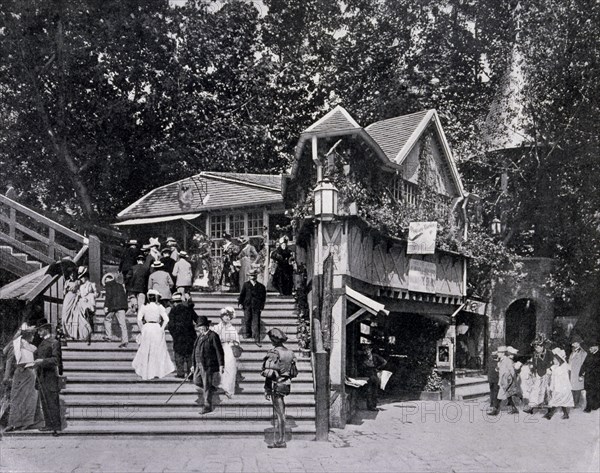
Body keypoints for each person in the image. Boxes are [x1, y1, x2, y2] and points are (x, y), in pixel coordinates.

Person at [2, 324, 44, 432]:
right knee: (16, 399)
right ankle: (13, 423)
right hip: (20, 373)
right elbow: (9, 360)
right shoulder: (16, 345)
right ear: (27, 335)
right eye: (32, 335)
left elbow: (36, 358)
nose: (34, 337)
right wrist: (6, 376)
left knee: (30, 399)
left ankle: (28, 422)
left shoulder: (32, 347)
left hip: (30, 373)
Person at [262, 328, 297, 449]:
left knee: (280, 413)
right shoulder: (290, 352)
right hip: (286, 384)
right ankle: (281, 438)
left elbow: (269, 373)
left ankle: (281, 440)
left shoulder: (273, 353)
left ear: (273, 340)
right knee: (281, 412)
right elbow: (293, 372)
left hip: (276, 385)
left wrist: (267, 389)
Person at [132, 290, 175, 380]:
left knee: (146, 348)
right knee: (157, 349)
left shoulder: (144, 307)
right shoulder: (159, 307)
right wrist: (162, 328)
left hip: (147, 328)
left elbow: (139, 319)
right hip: (156, 328)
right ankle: (156, 371)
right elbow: (166, 319)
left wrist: (142, 328)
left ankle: (146, 371)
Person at [33, 319, 62, 436]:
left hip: (50, 377)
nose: (38, 333)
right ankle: (49, 425)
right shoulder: (42, 342)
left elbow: (56, 360)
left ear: (46, 330)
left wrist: (42, 361)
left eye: (40, 330)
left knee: (52, 402)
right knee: (44, 401)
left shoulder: (54, 342)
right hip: (41, 376)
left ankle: (56, 427)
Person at [192, 316, 224, 414]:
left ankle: (207, 406)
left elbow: (219, 351)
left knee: (206, 386)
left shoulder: (213, 336)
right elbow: (194, 351)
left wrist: (221, 364)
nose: (200, 329)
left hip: (207, 365)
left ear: (207, 326)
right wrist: (193, 365)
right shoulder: (199, 336)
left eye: (202, 327)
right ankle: (210, 387)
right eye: (198, 327)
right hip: (198, 364)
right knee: (196, 381)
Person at [166, 293, 198, 378]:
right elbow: (197, 319)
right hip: (190, 335)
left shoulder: (173, 311)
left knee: (178, 354)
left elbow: (171, 325)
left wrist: (174, 334)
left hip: (179, 336)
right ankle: (190, 373)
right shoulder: (189, 309)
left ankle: (180, 373)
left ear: (174, 302)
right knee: (190, 354)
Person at [212, 307, 241, 398]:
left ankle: (229, 389)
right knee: (219, 368)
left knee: (230, 368)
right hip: (219, 348)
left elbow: (237, 340)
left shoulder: (232, 329)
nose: (227, 318)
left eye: (229, 316)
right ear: (222, 316)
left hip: (229, 349)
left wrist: (234, 343)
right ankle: (218, 386)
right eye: (225, 315)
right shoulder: (216, 327)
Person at [524, 333, 553, 414]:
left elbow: (553, 362)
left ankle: (550, 408)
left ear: (542, 346)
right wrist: (532, 370)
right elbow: (533, 363)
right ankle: (531, 406)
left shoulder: (549, 353)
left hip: (547, 373)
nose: (537, 349)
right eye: (535, 347)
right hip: (538, 373)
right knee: (536, 389)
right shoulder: (535, 354)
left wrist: (549, 368)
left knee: (547, 390)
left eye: (538, 347)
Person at [238, 268, 267, 346]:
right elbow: (242, 295)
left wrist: (261, 307)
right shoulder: (246, 285)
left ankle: (257, 340)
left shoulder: (261, 287)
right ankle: (248, 334)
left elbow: (263, 298)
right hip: (247, 306)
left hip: (256, 307)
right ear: (249, 276)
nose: (253, 277)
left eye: (254, 275)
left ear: (256, 276)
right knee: (247, 320)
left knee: (256, 323)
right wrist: (240, 303)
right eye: (251, 276)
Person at [544, 347, 574, 420]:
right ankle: (565, 414)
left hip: (562, 388)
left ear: (559, 359)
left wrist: (552, 370)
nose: (553, 360)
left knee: (556, 401)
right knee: (558, 401)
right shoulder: (555, 367)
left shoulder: (563, 367)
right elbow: (551, 373)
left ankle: (550, 415)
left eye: (554, 359)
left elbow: (562, 374)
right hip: (557, 387)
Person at [102, 273, 129, 348]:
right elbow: (124, 295)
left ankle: (108, 336)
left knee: (107, 319)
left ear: (107, 279)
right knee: (122, 324)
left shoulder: (108, 285)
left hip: (112, 306)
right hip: (122, 306)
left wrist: (106, 306)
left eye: (105, 280)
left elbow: (108, 296)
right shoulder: (120, 285)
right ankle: (125, 341)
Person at [360, 344, 387, 411]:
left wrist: (378, 368)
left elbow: (384, 362)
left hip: (374, 374)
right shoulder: (363, 358)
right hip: (367, 376)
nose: (366, 352)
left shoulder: (375, 356)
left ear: (370, 350)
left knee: (375, 391)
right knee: (369, 391)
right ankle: (370, 406)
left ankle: (374, 406)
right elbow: (361, 366)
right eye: (365, 350)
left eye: (367, 350)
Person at [497, 346, 520, 414]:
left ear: (503, 353)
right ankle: (514, 409)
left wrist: (512, 382)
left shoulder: (508, 360)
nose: (497, 354)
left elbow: (512, 372)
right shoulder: (501, 361)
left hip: (506, 381)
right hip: (503, 381)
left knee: (500, 396)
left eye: (499, 352)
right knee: (508, 395)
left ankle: (495, 410)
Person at [60, 267, 80, 340]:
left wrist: (77, 295)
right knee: (65, 315)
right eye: (71, 274)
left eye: (73, 274)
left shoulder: (78, 282)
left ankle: (72, 334)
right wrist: (66, 289)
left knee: (72, 315)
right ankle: (66, 332)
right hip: (67, 298)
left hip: (74, 298)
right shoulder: (67, 282)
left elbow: (80, 291)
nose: (72, 275)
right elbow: (64, 292)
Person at [580, 344, 600, 412]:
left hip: (596, 378)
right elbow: (584, 364)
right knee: (589, 392)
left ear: (596, 347)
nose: (589, 349)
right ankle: (588, 407)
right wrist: (581, 373)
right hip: (589, 377)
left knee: (596, 392)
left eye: (591, 347)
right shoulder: (589, 355)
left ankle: (595, 405)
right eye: (589, 348)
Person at [568, 340, 587, 409]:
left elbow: (584, 364)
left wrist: (582, 374)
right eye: (573, 343)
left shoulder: (583, 353)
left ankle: (576, 403)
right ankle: (572, 402)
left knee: (577, 388)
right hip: (572, 371)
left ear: (579, 343)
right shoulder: (572, 352)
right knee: (572, 387)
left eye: (575, 343)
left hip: (578, 372)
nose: (574, 344)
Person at [487, 349, 500, 415]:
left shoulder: (490, 361)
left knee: (492, 392)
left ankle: (492, 404)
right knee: (495, 392)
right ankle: (495, 405)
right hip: (496, 380)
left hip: (491, 379)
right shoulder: (497, 363)